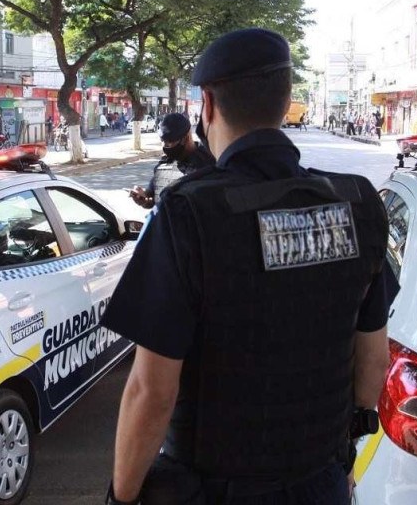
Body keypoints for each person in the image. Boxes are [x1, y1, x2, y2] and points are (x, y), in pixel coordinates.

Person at [102, 28, 398, 505]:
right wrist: (340, 462)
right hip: (320, 480)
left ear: (208, 106)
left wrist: (123, 497)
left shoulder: (188, 214)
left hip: (214, 488)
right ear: (284, 106)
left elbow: (150, 391)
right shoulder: (358, 204)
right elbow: (373, 363)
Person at [128, 112, 214, 209]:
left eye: (170, 141)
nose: (165, 146)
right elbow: (153, 198)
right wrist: (143, 199)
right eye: (163, 141)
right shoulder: (163, 166)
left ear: (186, 138)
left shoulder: (210, 164)